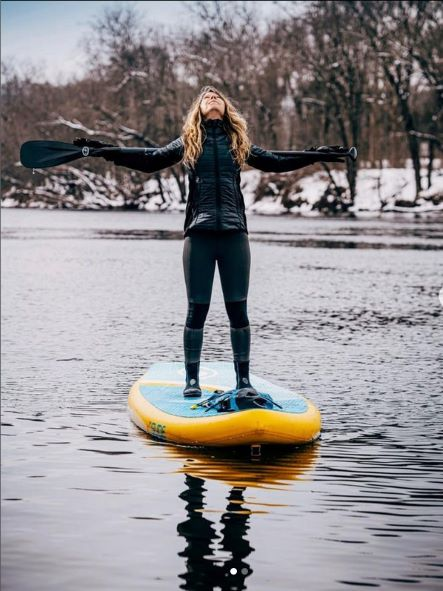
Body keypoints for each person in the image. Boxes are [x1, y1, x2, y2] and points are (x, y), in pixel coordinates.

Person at [74, 85, 344, 398]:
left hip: (234, 235)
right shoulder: (189, 142)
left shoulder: (236, 142)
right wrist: (104, 151)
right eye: (206, 97)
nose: (212, 96)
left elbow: (276, 161)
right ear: (199, 110)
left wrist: (315, 156)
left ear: (226, 108)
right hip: (199, 235)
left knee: (238, 311)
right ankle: (192, 381)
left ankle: (243, 381)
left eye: (217, 95)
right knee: (196, 311)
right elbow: (150, 160)